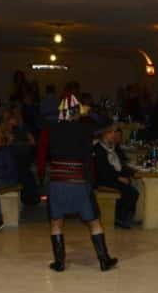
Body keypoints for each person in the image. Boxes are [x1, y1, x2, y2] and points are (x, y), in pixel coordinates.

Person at [36, 93, 117, 272]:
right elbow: (107, 123)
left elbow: (41, 118)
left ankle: (59, 263)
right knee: (94, 222)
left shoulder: (51, 127)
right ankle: (104, 260)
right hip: (78, 181)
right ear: (78, 112)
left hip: (57, 181)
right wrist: (90, 111)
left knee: (56, 222)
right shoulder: (84, 128)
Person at [93, 126, 139, 229]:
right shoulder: (99, 149)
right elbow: (103, 169)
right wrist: (119, 178)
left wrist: (130, 173)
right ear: (103, 134)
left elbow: (121, 164)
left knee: (132, 187)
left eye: (114, 133)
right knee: (131, 192)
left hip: (113, 177)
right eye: (110, 133)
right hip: (104, 180)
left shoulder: (113, 147)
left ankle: (124, 216)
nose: (113, 135)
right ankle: (120, 218)